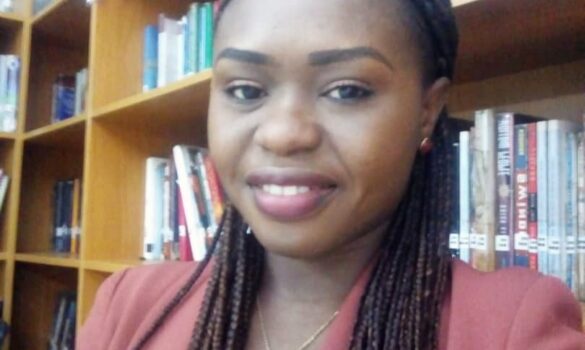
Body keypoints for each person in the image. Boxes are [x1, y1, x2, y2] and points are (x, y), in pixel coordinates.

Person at [78, 0, 585, 349]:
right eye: (245, 90)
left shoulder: (512, 327)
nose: (282, 135)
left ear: (427, 111)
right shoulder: (132, 309)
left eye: (346, 90)